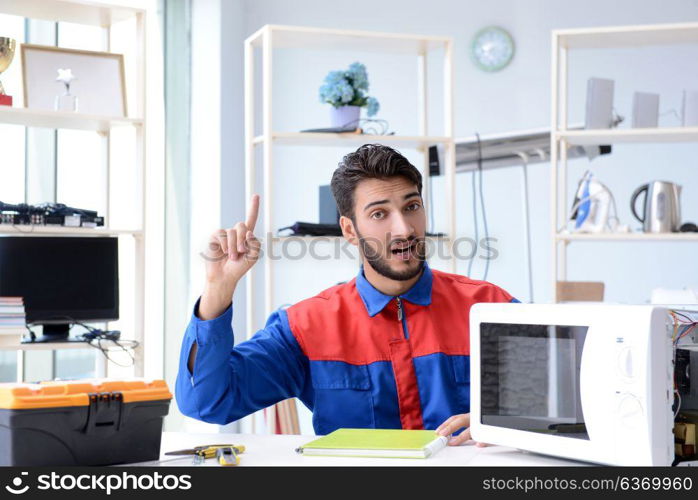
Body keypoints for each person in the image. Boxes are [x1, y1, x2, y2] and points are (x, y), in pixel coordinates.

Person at [175, 144, 518, 445]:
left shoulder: (490, 308)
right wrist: (218, 290)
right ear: (350, 230)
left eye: (412, 206)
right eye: (379, 214)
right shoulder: (304, 327)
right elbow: (206, 403)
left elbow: (558, 405)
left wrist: (501, 425)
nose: (404, 228)